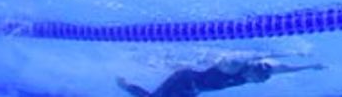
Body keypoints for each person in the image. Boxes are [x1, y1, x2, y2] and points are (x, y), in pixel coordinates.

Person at [116, 58, 324, 97]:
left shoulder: (250, 75)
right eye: (259, 78)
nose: (257, 82)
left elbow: (281, 70)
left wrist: (309, 66)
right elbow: (229, 60)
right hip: (184, 80)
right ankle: (126, 85)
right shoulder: (233, 69)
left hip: (193, 90)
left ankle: (127, 86)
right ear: (252, 72)